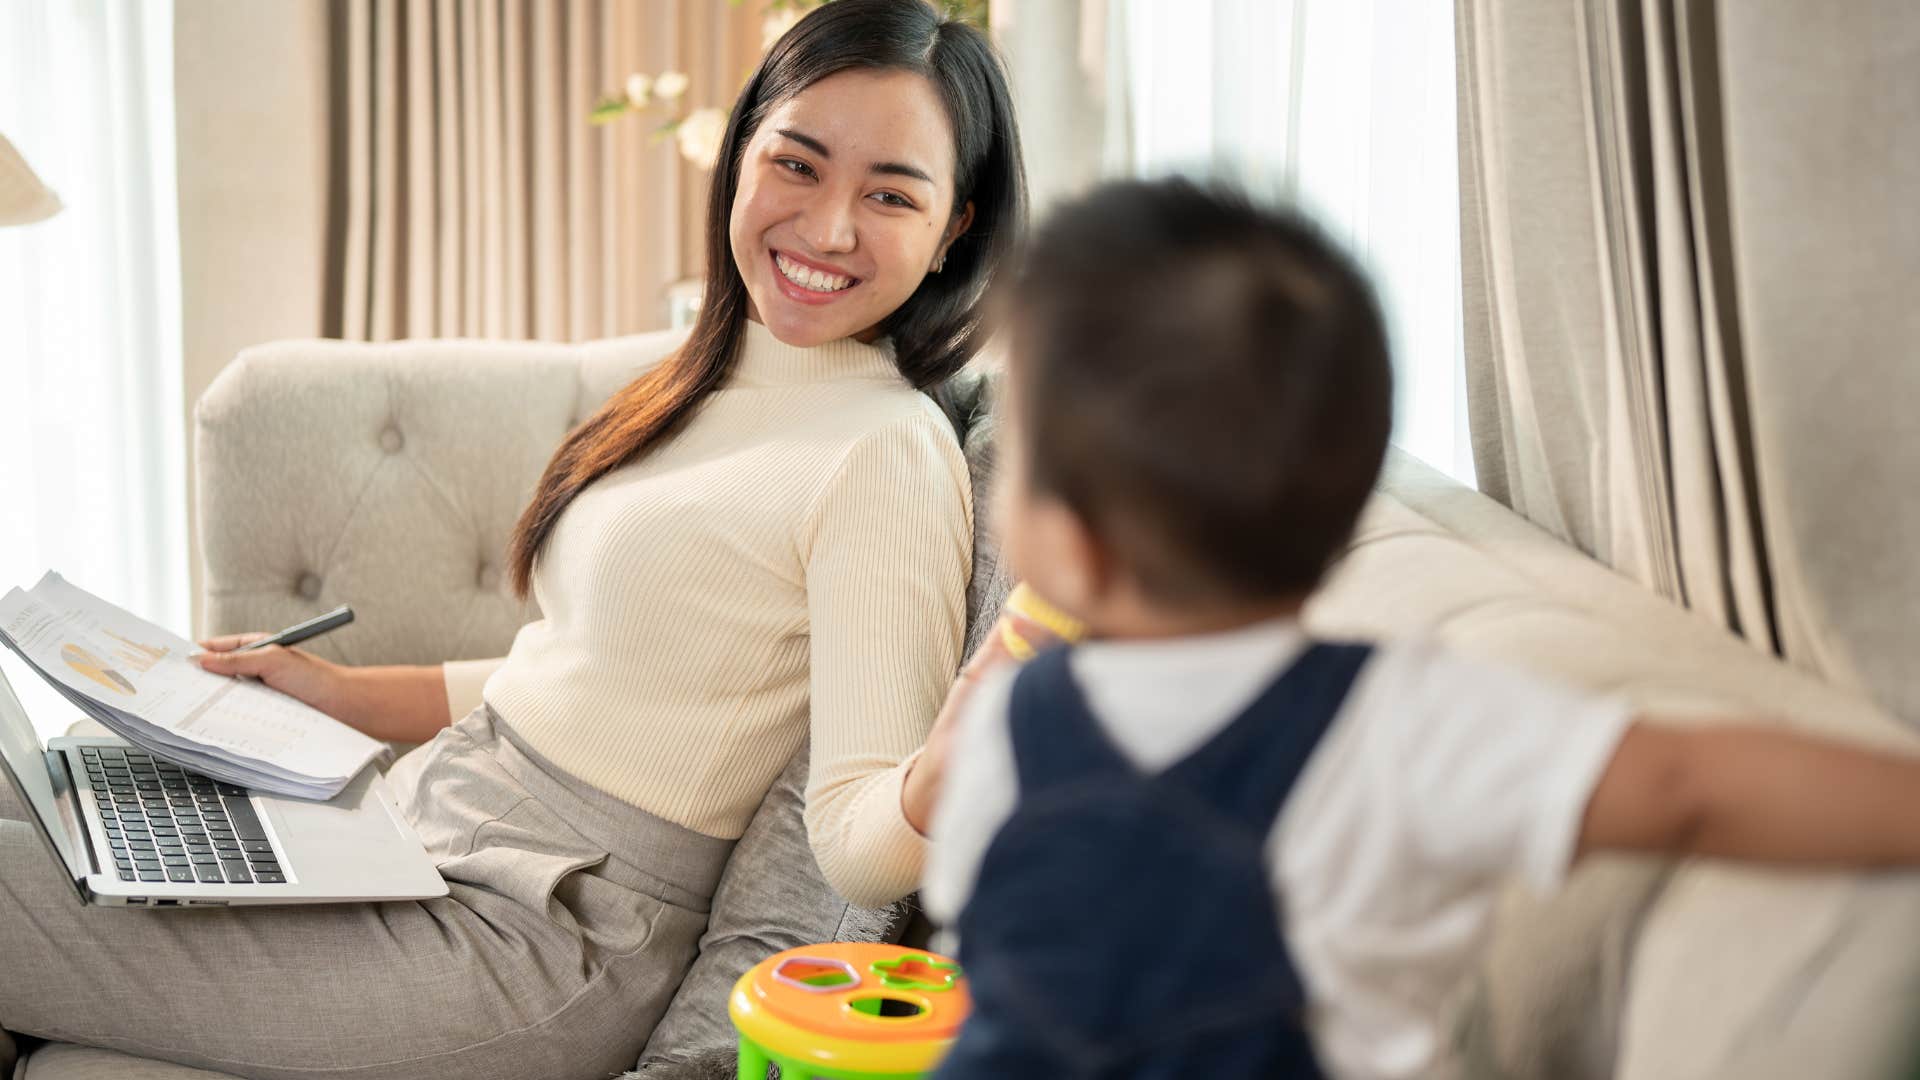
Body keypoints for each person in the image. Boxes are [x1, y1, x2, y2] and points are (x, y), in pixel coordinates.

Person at [0, 2, 1025, 1077]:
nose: (826, 229)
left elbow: (859, 848)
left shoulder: (889, 453)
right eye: (799, 165)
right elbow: (595, 669)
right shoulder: (712, 374)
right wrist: (328, 689)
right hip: (416, 825)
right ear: (743, 152)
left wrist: (944, 770)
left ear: (956, 223)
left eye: (891, 195)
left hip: (540, 940)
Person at [920, 177, 1920, 1079]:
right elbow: (1688, 787)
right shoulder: (1406, 720)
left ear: (1072, 548)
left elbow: (990, 973)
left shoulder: (1011, 728)